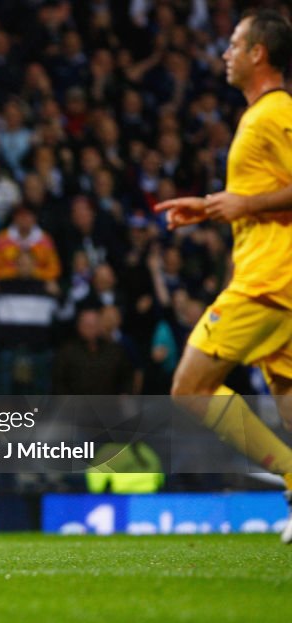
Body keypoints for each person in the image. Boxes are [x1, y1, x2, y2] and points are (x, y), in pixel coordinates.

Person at [154, 9, 292, 543]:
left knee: (189, 388)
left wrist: (242, 203)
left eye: (235, 44)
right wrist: (210, 207)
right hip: (277, 281)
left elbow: (261, 198)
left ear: (259, 53)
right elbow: (251, 201)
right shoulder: (259, 114)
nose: (225, 53)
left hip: (267, 281)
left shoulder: (274, 112)